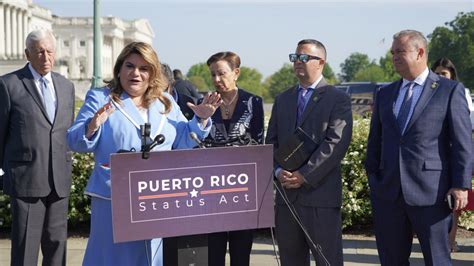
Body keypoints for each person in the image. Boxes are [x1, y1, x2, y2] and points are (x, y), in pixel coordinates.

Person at [67, 42, 221, 266]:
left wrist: (201, 119)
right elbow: (74, 140)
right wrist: (92, 126)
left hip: (155, 197)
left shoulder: (165, 102)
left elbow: (183, 140)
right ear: (119, 69)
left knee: (150, 257)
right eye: (130, 66)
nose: (136, 73)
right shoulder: (100, 98)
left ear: (153, 73)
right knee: (113, 258)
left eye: (144, 68)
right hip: (113, 198)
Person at [365, 30, 472, 265]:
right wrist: (374, 179)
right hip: (389, 195)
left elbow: (462, 143)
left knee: (437, 260)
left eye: (400, 52)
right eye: (393, 52)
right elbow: (375, 142)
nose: (394, 57)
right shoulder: (384, 93)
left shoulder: (449, 90)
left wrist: (460, 185)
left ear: (420, 52)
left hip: (432, 195)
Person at [265, 39, 353, 266]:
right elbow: (271, 141)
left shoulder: (337, 98)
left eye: (304, 58)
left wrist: (305, 175)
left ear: (321, 62)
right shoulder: (283, 99)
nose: (297, 62)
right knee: (290, 260)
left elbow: (335, 144)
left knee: (328, 260)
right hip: (286, 198)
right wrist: (277, 171)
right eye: (294, 57)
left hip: (320, 197)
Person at [0, 29, 75, 266]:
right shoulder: (8, 85)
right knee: (25, 251)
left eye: (50, 51)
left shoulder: (66, 86)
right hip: (26, 181)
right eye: (39, 52)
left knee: (57, 247)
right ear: (27, 54)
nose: (45, 57)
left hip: (59, 181)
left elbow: (66, 131)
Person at [205, 51, 264, 266]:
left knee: (241, 254)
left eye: (221, 73)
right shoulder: (205, 103)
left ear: (236, 72)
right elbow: (196, 144)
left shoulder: (253, 102)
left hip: (242, 190)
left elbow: (259, 144)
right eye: (212, 75)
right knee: (213, 254)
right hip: (210, 190)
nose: (216, 79)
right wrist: (202, 115)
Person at [431, 57, 472, 252]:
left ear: (452, 75)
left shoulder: (458, 91)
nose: (440, 77)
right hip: (435, 157)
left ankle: (451, 240)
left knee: (455, 204)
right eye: (437, 73)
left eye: (444, 74)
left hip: (453, 155)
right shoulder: (428, 91)